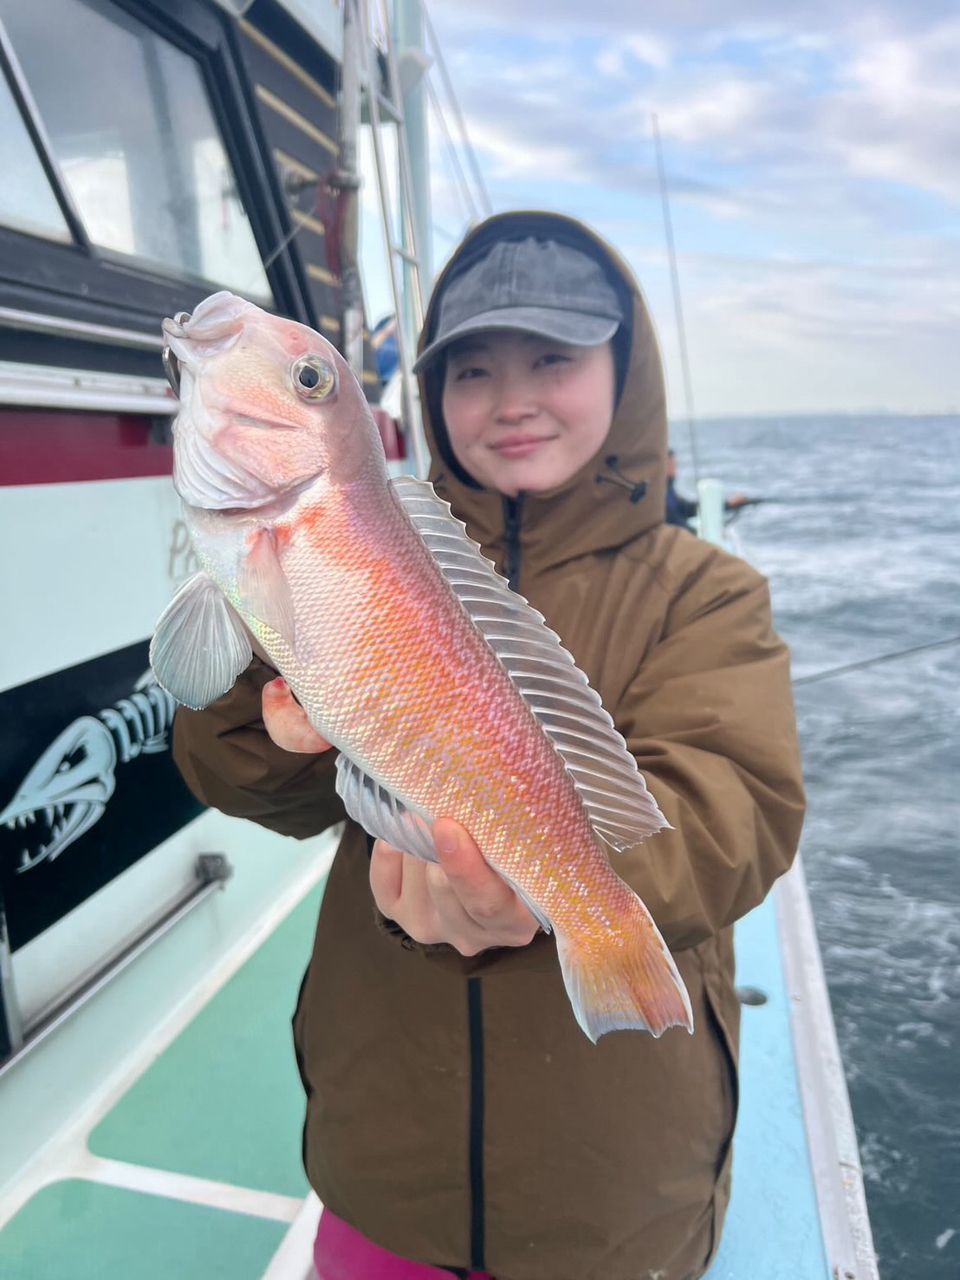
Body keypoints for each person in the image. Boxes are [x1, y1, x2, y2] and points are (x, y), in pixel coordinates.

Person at [172, 213, 805, 1280]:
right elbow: (242, 777)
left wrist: (558, 891)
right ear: (430, 397)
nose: (513, 399)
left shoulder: (708, 592)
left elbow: (734, 807)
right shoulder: (333, 531)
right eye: (472, 371)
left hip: (609, 1184)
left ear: (626, 373)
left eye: (553, 359)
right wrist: (264, 708)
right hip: (384, 1143)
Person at [665, 448, 750, 529]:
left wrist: (728, 504)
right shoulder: (661, 492)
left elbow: (686, 509)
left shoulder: (668, 489)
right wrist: (695, 533)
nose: (676, 470)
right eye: (673, 465)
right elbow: (673, 520)